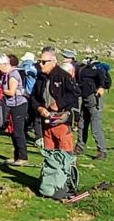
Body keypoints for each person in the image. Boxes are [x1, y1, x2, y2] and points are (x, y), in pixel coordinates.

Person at [33, 48, 82, 200]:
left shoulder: (63, 76)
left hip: (61, 121)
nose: (40, 64)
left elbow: (75, 93)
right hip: (46, 121)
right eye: (39, 61)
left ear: (53, 62)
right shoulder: (41, 78)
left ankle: (66, 185)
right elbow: (33, 97)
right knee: (50, 153)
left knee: (65, 153)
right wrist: (40, 108)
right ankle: (49, 184)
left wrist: (58, 104)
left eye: (43, 62)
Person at [76, 56, 113, 160]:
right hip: (86, 99)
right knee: (82, 124)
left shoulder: (94, 69)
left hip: (94, 99)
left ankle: (102, 151)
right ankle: (79, 147)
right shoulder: (84, 69)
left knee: (95, 126)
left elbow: (100, 74)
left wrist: (101, 87)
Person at [0, 54, 31, 166]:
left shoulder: (13, 75)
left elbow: (11, 92)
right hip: (11, 105)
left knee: (18, 131)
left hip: (18, 105)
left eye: (0, 66)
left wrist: (0, 90)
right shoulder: (6, 75)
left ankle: (23, 156)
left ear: (5, 64)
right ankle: (17, 156)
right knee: (13, 131)